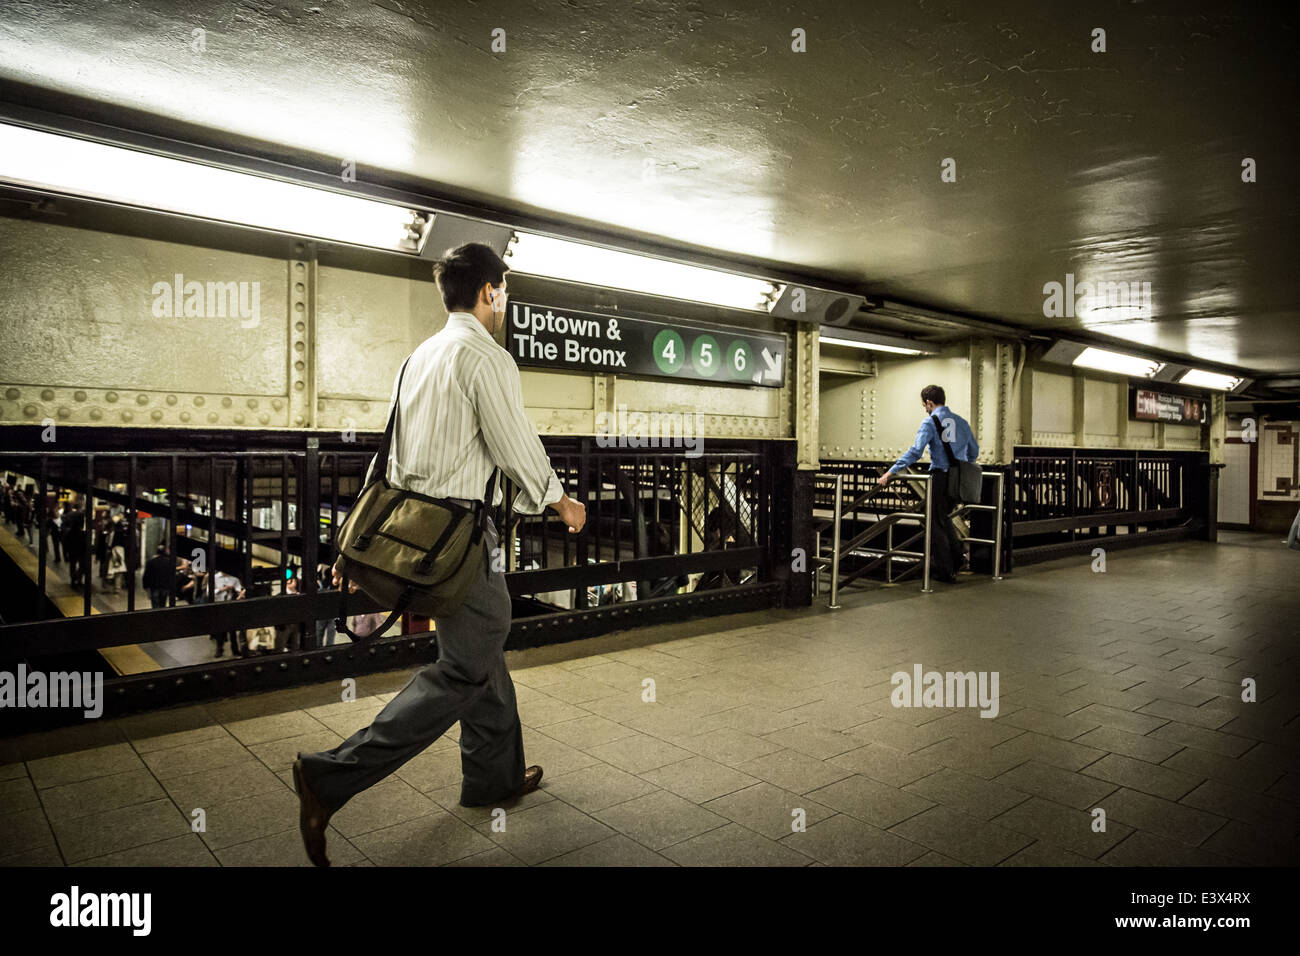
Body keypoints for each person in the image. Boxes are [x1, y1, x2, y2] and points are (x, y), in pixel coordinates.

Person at [294, 241, 587, 867]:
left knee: (477, 651)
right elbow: (514, 444)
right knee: (467, 660)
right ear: (488, 291)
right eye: (503, 289)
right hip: (460, 541)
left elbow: (392, 453)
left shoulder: (418, 357)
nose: (505, 300)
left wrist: (361, 536)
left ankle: (493, 778)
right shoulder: (486, 358)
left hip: (414, 535)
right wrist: (561, 501)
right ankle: (330, 776)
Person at [876, 384, 979, 583]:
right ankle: (957, 559)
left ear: (929, 403)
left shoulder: (930, 422)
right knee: (943, 517)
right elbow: (973, 452)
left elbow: (915, 452)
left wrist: (891, 471)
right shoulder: (962, 422)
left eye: (924, 405)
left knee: (935, 523)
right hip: (959, 480)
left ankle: (947, 570)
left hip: (940, 478)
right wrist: (959, 463)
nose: (925, 408)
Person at [142, 544, 175, 608]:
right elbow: (171, 575)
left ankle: (156, 616)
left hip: (154, 586)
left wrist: (145, 586)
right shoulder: (169, 562)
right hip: (164, 586)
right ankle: (162, 616)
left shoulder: (151, 562)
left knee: (155, 604)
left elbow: (147, 575)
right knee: (163, 603)